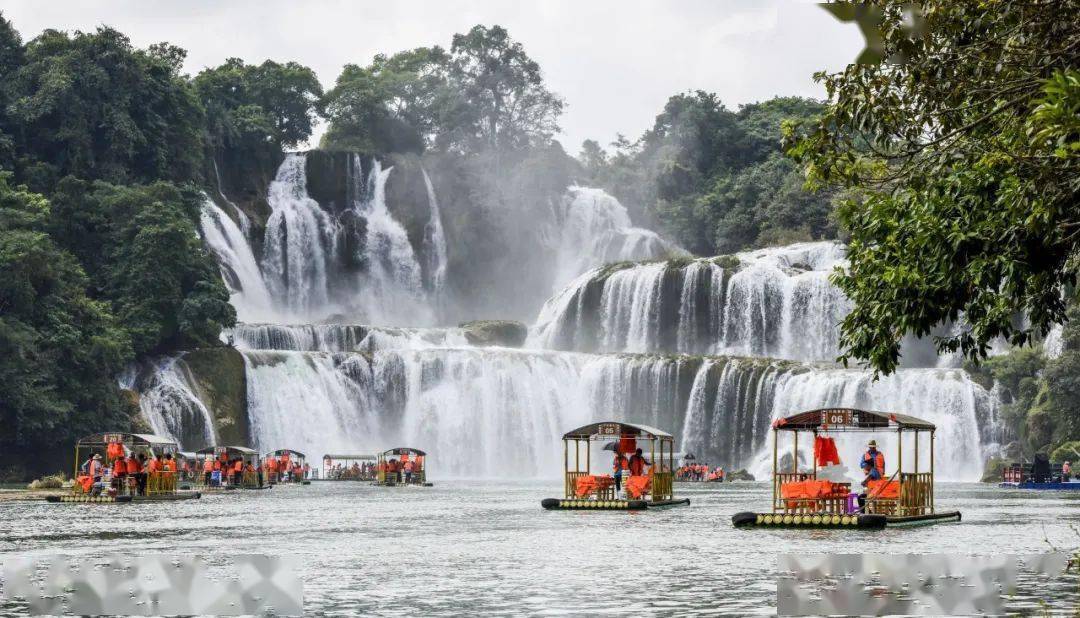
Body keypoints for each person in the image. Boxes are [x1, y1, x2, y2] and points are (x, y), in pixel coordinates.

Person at [858, 440, 886, 511]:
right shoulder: (865, 455)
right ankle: (866, 481)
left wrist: (882, 471)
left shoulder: (880, 454)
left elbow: (883, 464)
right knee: (873, 470)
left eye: (873, 447)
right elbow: (861, 465)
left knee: (874, 470)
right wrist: (868, 465)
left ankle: (865, 482)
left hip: (878, 475)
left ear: (875, 447)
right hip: (870, 476)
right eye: (870, 447)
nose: (872, 448)